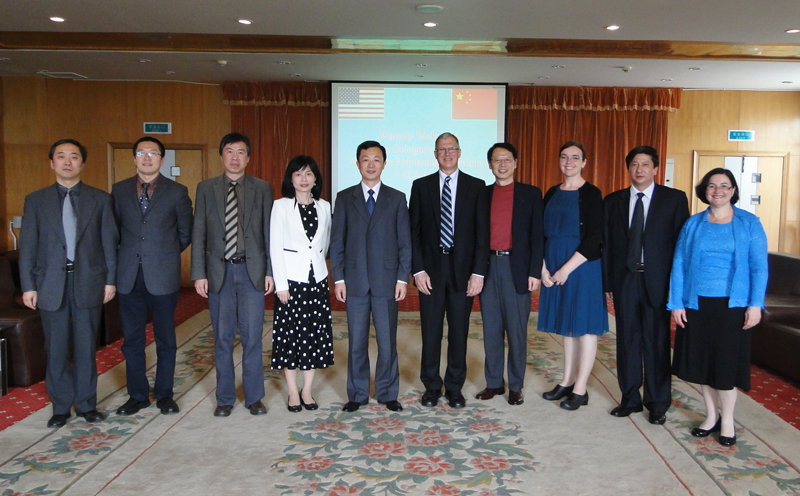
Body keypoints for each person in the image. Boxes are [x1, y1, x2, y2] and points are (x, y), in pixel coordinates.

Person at [19, 139, 118, 428]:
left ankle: (87, 404)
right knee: (57, 347)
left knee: (86, 346)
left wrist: (110, 280)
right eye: (61, 156)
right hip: (50, 283)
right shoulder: (36, 200)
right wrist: (28, 286)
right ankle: (61, 406)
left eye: (73, 156)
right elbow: (28, 246)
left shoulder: (100, 199)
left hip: (89, 280)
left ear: (82, 163)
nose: (67, 161)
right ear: (52, 163)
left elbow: (109, 243)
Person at [668, 167, 768, 446]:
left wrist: (755, 304)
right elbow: (679, 264)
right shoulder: (693, 223)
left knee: (725, 365)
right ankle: (711, 416)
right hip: (697, 303)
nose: (718, 191)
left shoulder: (749, 223)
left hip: (733, 305)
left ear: (733, 190)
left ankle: (727, 421)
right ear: (705, 191)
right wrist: (676, 302)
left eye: (724, 185)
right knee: (703, 363)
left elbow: (759, 267)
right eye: (712, 185)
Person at [603, 145, 689, 424]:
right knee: (627, 340)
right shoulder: (613, 201)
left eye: (645, 164)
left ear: (655, 169)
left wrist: (677, 286)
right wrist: (608, 282)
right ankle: (630, 399)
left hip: (658, 282)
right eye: (634, 164)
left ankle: (657, 403)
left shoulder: (674, 199)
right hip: (625, 279)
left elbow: (681, 247)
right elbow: (608, 245)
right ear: (628, 168)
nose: (639, 169)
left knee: (657, 342)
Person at [191, 132, 274, 417]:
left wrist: (270, 271)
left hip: (252, 272)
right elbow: (199, 233)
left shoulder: (262, 188)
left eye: (240, 152)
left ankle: (254, 398)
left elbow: (269, 233)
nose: (235, 157)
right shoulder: (206, 188)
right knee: (222, 338)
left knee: (253, 337)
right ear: (221, 156)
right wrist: (199, 273)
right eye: (230, 151)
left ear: (248, 158)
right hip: (219, 272)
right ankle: (225, 398)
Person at [112, 137, 193, 417]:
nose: (147, 157)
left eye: (153, 153)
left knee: (165, 339)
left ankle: (164, 394)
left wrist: (162, 255)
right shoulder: (119, 190)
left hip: (162, 275)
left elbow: (185, 233)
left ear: (162, 159)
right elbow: (113, 231)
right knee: (132, 340)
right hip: (128, 275)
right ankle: (137, 395)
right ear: (134, 158)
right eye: (141, 153)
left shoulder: (177, 191)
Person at [409, 132, 489, 409]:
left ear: (459, 152)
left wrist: (478, 272)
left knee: (459, 331)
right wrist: (418, 270)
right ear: (435, 154)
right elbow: (413, 233)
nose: (447, 153)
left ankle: (454, 387)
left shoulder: (476, 186)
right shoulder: (421, 186)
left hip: (463, 270)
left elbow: (482, 234)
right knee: (430, 332)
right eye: (442, 149)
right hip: (430, 270)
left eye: (451, 148)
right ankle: (431, 386)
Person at [331, 141, 411, 413]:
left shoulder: (397, 198)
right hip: (354, 281)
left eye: (377, 159)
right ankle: (357, 393)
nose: (371, 164)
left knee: (387, 342)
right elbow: (337, 242)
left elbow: (405, 243)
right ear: (357, 164)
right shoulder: (345, 198)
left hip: (387, 281)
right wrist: (338, 278)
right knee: (356, 341)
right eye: (366, 159)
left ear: (384, 164)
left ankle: (388, 393)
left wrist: (402, 278)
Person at [538, 141, 607, 411]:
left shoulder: (592, 193)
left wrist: (565, 269)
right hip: (554, 261)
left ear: (584, 163)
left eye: (575, 157)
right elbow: (540, 233)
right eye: (564, 157)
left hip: (581, 266)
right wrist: (543, 267)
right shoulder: (551, 192)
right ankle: (566, 381)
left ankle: (580, 389)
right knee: (567, 324)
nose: (569, 162)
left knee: (584, 326)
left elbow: (594, 237)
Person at [475, 143, 544, 406]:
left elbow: (538, 236)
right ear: (489, 165)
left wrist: (534, 271)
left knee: (516, 332)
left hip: (518, 268)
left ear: (515, 162)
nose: (502, 164)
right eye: (496, 160)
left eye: (507, 159)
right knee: (491, 329)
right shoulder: (482, 194)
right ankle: (494, 382)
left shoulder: (531, 194)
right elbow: (476, 236)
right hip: (489, 267)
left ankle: (515, 385)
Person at [270, 155, 333, 413]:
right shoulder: (281, 206)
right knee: (291, 336)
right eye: (298, 174)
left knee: (314, 335)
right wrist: (281, 285)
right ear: (291, 179)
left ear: (316, 178)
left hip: (316, 281)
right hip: (291, 283)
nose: (304, 179)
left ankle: (307, 390)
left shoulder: (325, 207)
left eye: (308, 174)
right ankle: (292, 391)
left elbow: (324, 243)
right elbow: (275, 247)